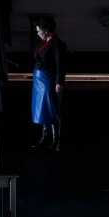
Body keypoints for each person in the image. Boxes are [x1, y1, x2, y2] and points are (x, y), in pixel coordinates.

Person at [30, 16, 67, 151]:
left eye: (39, 31)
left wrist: (59, 82)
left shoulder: (57, 44)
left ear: (46, 30)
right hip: (39, 81)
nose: (38, 33)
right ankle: (44, 138)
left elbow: (60, 64)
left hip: (48, 80)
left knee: (52, 109)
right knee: (42, 109)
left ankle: (56, 142)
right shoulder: (44, 42)